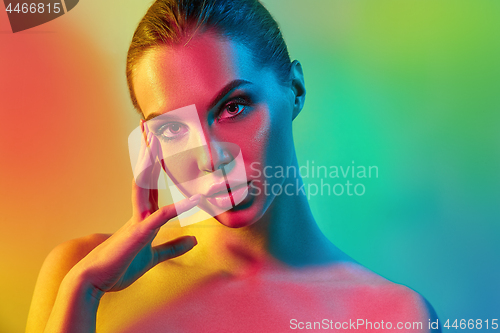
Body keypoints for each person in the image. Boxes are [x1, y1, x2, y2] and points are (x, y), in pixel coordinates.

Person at [26, 0, 440, 332]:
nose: (210, 157)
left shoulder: (394, 316)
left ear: (294, 90)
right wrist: (84, 294)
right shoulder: (78, 274)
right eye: (173, 129)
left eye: (233, 107)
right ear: (149, 142)